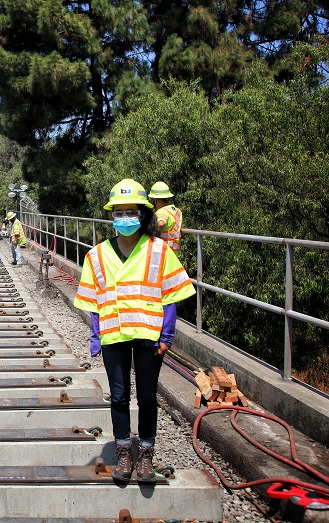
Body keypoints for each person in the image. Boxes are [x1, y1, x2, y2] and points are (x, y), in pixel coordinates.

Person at [73, 178, 195, 483]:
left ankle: (146, 455)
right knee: (118, 396)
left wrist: (167, 336)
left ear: (143, 213)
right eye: (119, 212)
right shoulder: (97, 255)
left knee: (147, 397)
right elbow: (93, 302)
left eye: (132, 212)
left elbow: (170, 296)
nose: (125, 218)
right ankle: (124, 450)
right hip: (114, 336)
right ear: (112, 215)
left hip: (149, 336)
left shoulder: (159, 251)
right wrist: (95, 335)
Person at [148, 181, 183, 253]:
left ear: (155, 201)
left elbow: (161, 224)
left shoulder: (162, 211)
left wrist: (154, 238)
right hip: (173, 251)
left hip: (163, 250)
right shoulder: (177, 211)